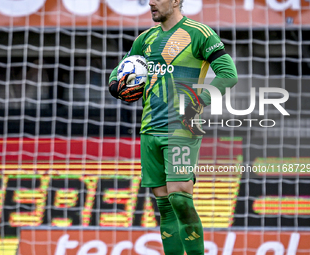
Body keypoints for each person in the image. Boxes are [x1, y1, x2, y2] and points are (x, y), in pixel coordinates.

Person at [108, 0, 238, 254]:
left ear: (177, 0)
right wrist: (116, 86)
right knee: (165, 205)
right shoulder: (144, 39)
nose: (151, 2)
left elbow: (228, 75)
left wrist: (199, 100)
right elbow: (119, 72)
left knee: (179, 197)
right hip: (149, 130)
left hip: (182, 128)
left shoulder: (199, 33)